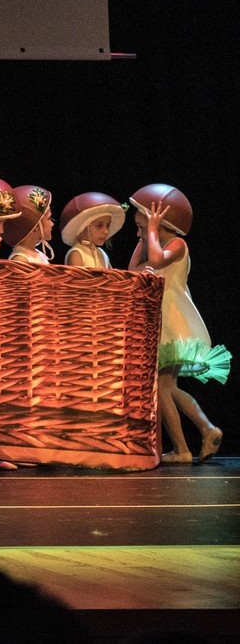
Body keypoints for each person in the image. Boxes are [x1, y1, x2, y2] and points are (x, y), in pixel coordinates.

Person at [128, 184, 227, 463]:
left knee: (161, 389)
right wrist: (145, 237)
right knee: (168, 387)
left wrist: (151, 229)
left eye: (141, 227)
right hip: (163, 321)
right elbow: (132, 271)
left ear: (161, 224)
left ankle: (182, 449)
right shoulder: (154, 245)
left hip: (171, 322)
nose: (139, 233)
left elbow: (156, 260)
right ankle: (207, 429)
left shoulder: (177, 245)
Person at [60, 192, 122, 268]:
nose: (106, 231)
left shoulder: (102, 254)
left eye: (108, 226)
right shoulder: (77, 254)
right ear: (83, 227)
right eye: (99, 226)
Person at [2, 185, 54, 264]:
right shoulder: (21, 259)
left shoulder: (38, 254)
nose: (52, 224)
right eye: (49, 219)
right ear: (35, 226)